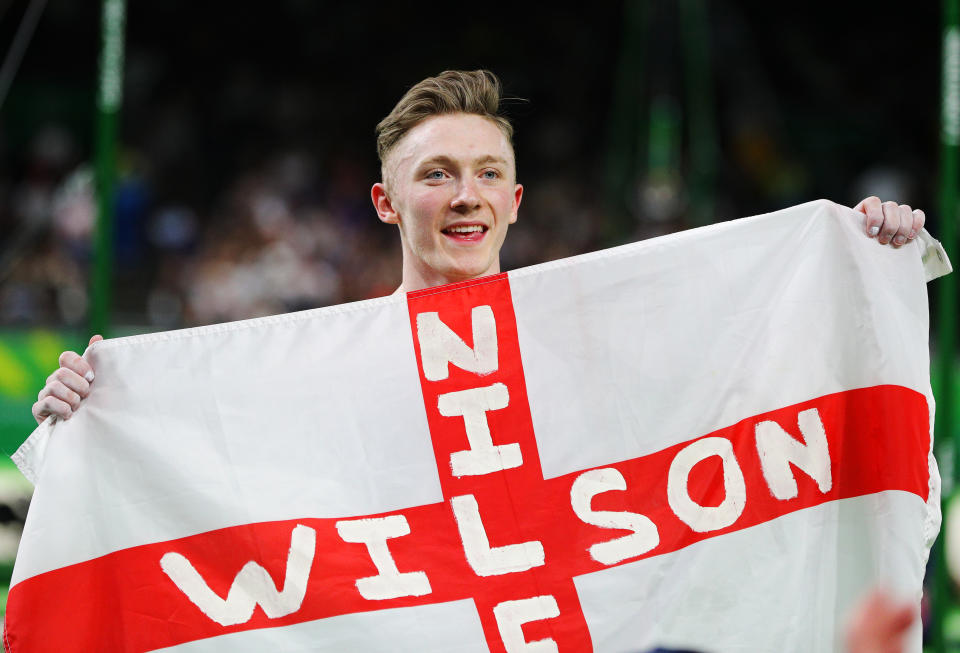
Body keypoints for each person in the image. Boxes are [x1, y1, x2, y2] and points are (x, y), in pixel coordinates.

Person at [31, 69, 927, 425]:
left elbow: (763, 398)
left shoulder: (589, 335)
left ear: (515, 198)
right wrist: (93, 411)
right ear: (384, 202)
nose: (467, 195)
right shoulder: (319, 362)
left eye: (488, 173)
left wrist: (864, 266)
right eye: (438, 174)